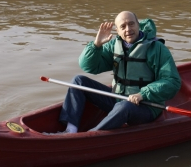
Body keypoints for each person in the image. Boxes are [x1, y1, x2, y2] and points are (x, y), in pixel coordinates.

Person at [50, 11, 181, 134]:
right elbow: (88, 66)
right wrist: (96, 46)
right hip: (118, 99)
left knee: (124, 106)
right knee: (78, 82)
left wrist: (143, 94)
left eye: (131, 24)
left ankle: (91, 136)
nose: (128, 29)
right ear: (117, 31)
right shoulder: (114, 45)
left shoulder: (156, 48)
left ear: (138, 25)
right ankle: (71, 130)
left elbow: (172, 82)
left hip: (146, 106)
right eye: (123, 26)